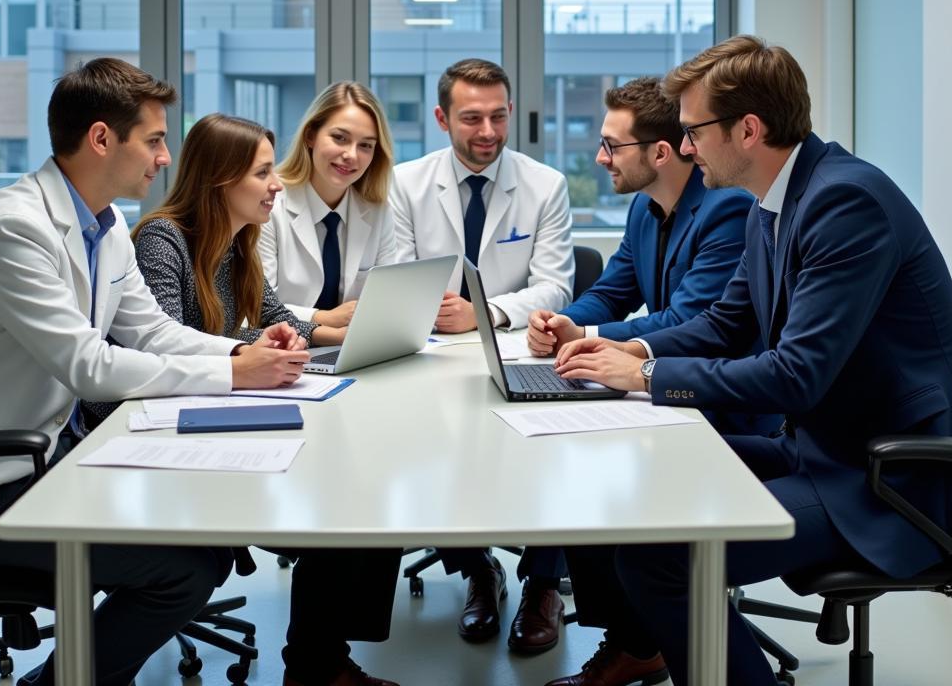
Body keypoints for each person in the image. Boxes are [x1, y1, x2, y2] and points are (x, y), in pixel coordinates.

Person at [550, 36, 952, 686]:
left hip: (889, 478)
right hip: (824, 451)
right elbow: (727, 323)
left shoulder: (844, 203)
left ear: (748, 129)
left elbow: (796, 376)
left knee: (660, 559)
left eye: (694, 131)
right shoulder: (775, 202)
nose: (684, 148)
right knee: (630, 496)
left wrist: (644, 376)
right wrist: (628, 347)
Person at [0, 59, 307, 686]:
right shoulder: (14, 228)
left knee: (210, 544)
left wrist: (237, 357)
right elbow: (88, 366)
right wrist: (236, 376)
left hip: (51, 460)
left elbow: (151, 331)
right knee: (186, 569)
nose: (166, 157)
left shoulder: (107, 224)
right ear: (100, 139)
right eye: (154, 139)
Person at [131, 111, 401, 686]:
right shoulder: (162, 240)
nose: (278, 183)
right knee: (337, 502)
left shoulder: (237, 242)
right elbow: (161, 345)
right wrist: (248, 347)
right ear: (219, 180)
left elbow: (274, 321)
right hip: (162, 434)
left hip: (217, 414)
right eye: (261, 173)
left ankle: (319, 662)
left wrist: (269, 336)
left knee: (363, 484)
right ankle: (317, 666)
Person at [514, 75, 757, 657]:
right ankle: (621, 632)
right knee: (567, 444)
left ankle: (632, 643)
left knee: (593, 462)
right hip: (664, 390)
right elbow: (612, 289)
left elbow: (689, 320)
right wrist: (566, 323)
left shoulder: (727, 209)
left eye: (611, 146)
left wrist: (595, 338)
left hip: (722, 403)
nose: (600, 159)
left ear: (661, 152)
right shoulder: (647, 209)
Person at [390, 57, 574, 644]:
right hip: (433, 351)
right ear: (443, 118)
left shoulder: (545, 185)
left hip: (518, 350)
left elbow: (556, 283)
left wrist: (486, 310)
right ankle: (477, 568)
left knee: (551, 445)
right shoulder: (405, 183)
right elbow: (395, 272)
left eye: (498, 116)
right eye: (472, 118)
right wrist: (432, 307)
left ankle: (544, 584)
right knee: (428, 444)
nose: (488, 132)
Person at [260, 82, 397, 342]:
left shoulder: (378, 211)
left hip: (353, 350)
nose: (351, 155)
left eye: (366, 145)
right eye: (340, 138)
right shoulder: (269, 202)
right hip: (283, 349)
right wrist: (321, 317)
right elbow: (254, 306)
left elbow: (386, 302)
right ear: (310, 135)